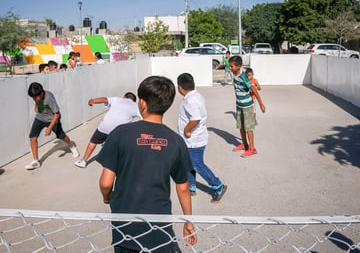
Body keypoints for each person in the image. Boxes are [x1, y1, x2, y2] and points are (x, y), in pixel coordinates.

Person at [97, 76, 197, 252]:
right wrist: (188, 221)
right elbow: (183, 187)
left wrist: (107, 197)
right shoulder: (175, 141)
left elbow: (106, 182)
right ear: (167, 104)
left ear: (142, 103)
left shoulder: (120, 133)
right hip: (159, 225)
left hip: (125, 225)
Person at [177, 73, 227, 203]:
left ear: (180, 87)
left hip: (194, 139)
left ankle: (218, 185)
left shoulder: (190, 100)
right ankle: (191, 186)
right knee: (189, 163)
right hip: (192, 139)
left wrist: (187, 130)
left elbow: (195, 118)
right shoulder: (196, 96)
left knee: (197, 164)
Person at [74, 92, 141, 168]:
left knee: (93, 141)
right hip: (118, 131)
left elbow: (104, 99)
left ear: (124, 96)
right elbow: (144, 117)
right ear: (134, 100)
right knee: (122, 144)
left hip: (105, 127)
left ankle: (83, 161)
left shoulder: (117, 99)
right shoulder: (135, 106)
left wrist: (93, 100)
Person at [26, 82, 80, 170]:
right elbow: (37, 101)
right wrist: (36, 105)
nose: (34, 99)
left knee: (61, 136)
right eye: (33, 98)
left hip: (53, 119)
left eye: (36, 98)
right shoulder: (38, 96)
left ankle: (71, 146)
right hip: (40, 117)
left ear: (42, 93)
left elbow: (57, 114)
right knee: (32, 137)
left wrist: (49, 128)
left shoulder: (49, 98)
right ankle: (36, 161)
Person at [229, 56, 265, 157]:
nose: (230, 68)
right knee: (241, 127)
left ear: (238, 66)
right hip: (239, 104)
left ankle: (252, 149)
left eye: (232, 66)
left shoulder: (243, 76)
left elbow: (253, 89)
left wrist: (261, 104)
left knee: (248, 128)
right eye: (230, 66)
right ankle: (244, 145)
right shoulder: (234, 75)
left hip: (247, 106)